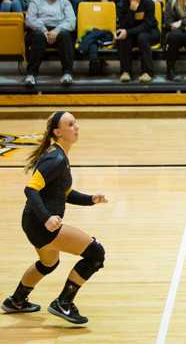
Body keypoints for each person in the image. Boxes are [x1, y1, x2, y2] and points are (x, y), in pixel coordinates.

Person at [1, 112, 108, 324]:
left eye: (76, 122)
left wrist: (91, 199)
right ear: (57, 132)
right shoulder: (56, 159)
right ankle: (64, 303)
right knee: (95, 253)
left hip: (33, 222)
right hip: (42, 224)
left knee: (48, 263)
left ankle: (16, 301)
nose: (76, 126)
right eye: (70, 124)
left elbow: (64, 193)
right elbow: (31, 189)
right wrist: (47, 218)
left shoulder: (59, 156)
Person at [23, 0, 76, 86]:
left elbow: (71, 22)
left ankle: (67, 73)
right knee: (38, 35)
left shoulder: (65, 2)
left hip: (59, 29)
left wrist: (56, 31)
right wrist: (44, 31)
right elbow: (29, 20)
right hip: (40, 29)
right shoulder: (35, 1)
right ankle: (31, 74)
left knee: (66, 35)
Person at [115, 0, 159, 83]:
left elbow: (147, 25)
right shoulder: (122, 5)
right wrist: (131, 11)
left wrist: (128, 32)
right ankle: (125, 71)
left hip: (150, 31)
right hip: (132, 33)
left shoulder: (148, 3)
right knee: (123, 37)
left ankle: (147, 72)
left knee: (142, 37)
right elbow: (123, 26)